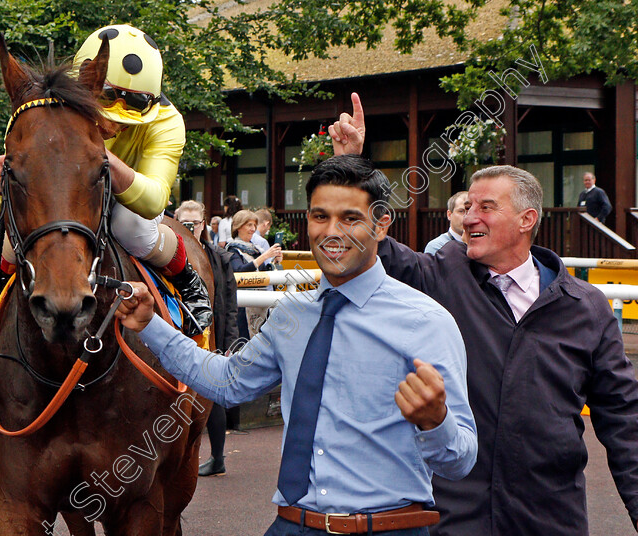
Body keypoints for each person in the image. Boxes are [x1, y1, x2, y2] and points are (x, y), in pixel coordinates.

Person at [116, 154, 476, 536]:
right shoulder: (295, 313)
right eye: (320, 216)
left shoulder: (426, 321)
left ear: (382, 224)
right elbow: (229, 382)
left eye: (350, 218)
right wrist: (149, 324)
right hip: (290, 524)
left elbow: (461, 460)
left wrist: (436, 422)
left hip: (389, 528)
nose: (332, 231)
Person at [329, 94, 638, 535]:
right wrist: (352, 168)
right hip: (455, 514)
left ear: (527, 219)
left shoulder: (584, 307)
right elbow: (373, 248)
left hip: (549, 517)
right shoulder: (443, 275)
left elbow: (624, 419)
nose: (469, 217)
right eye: (468, 207)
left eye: (485, 207)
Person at [0, 24, 211, 337]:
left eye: (128, 118)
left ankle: (188, 280)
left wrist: (100, 156)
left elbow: (154, 200)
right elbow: (0, 213)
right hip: (69, 197)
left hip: (132, 200)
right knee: (18, 229)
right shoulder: (37, 110)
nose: (114, 123)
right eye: (106, 108)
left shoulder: (168, 122)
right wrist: (0, 186)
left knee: (130, 227)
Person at [176, 200, 239, 477]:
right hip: (178, 336)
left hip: (211, 335)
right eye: (184, 224)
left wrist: (229, 343)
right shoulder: (163, 255)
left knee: (211, 395)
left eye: (195, 223)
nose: (190, 228)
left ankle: (217, 457)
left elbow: (230, 303)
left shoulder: (220, 258)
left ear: (205, 224)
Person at [226, 210, 283, 340]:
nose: (253, 229)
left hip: (260, 304)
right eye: (249, 225)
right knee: (244, 341)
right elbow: (239, 270)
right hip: (242, 306)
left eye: (254, 225)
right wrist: (265, 256)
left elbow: (263, 272)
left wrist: (275, 261)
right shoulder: (232, 249)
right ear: (238, 227)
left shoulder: (256, 249)